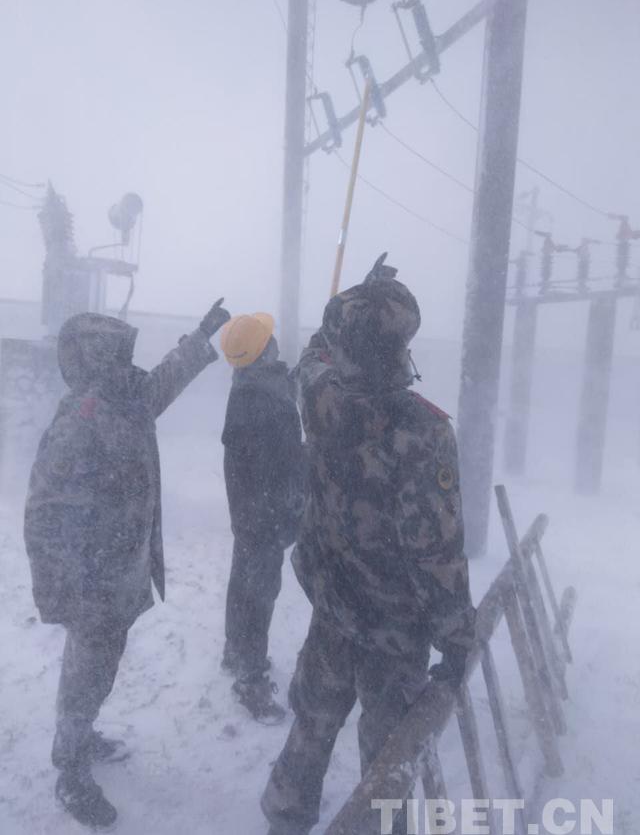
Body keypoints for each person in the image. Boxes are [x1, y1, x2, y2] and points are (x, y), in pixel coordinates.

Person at [261, 256, 476, 835]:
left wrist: (357, 294)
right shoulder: (423, 433)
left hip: (333, 602)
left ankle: (285, 815)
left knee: (313, 719)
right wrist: (456, 637)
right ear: (404, 340)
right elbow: (436, 551)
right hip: (394, 626)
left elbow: (311, 357)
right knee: (388, 758)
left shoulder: (321, 395)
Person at [23, 299, 230, 830]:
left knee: (100, 667)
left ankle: (82, 733)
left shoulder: (124, 398)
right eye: (116, 355)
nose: (126, 364)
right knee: (86, 671)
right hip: (91, 581)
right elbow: (45, 512)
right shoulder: (82, 418)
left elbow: (164, 380)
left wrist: (201, 335)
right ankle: (70, 767)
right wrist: (66, 586)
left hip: (116, 573)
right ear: (95, 360)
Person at [219, 313, 305, 724]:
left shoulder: (248, 388)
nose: (275, 343)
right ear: (263, 350)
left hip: (250, 514)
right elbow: (285, 457)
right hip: (265, 515)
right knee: (259, 595)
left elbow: (284, 384)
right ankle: (251, 681)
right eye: (270, 339)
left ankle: (235, 652)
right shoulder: (263, 401)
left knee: (243, 583)